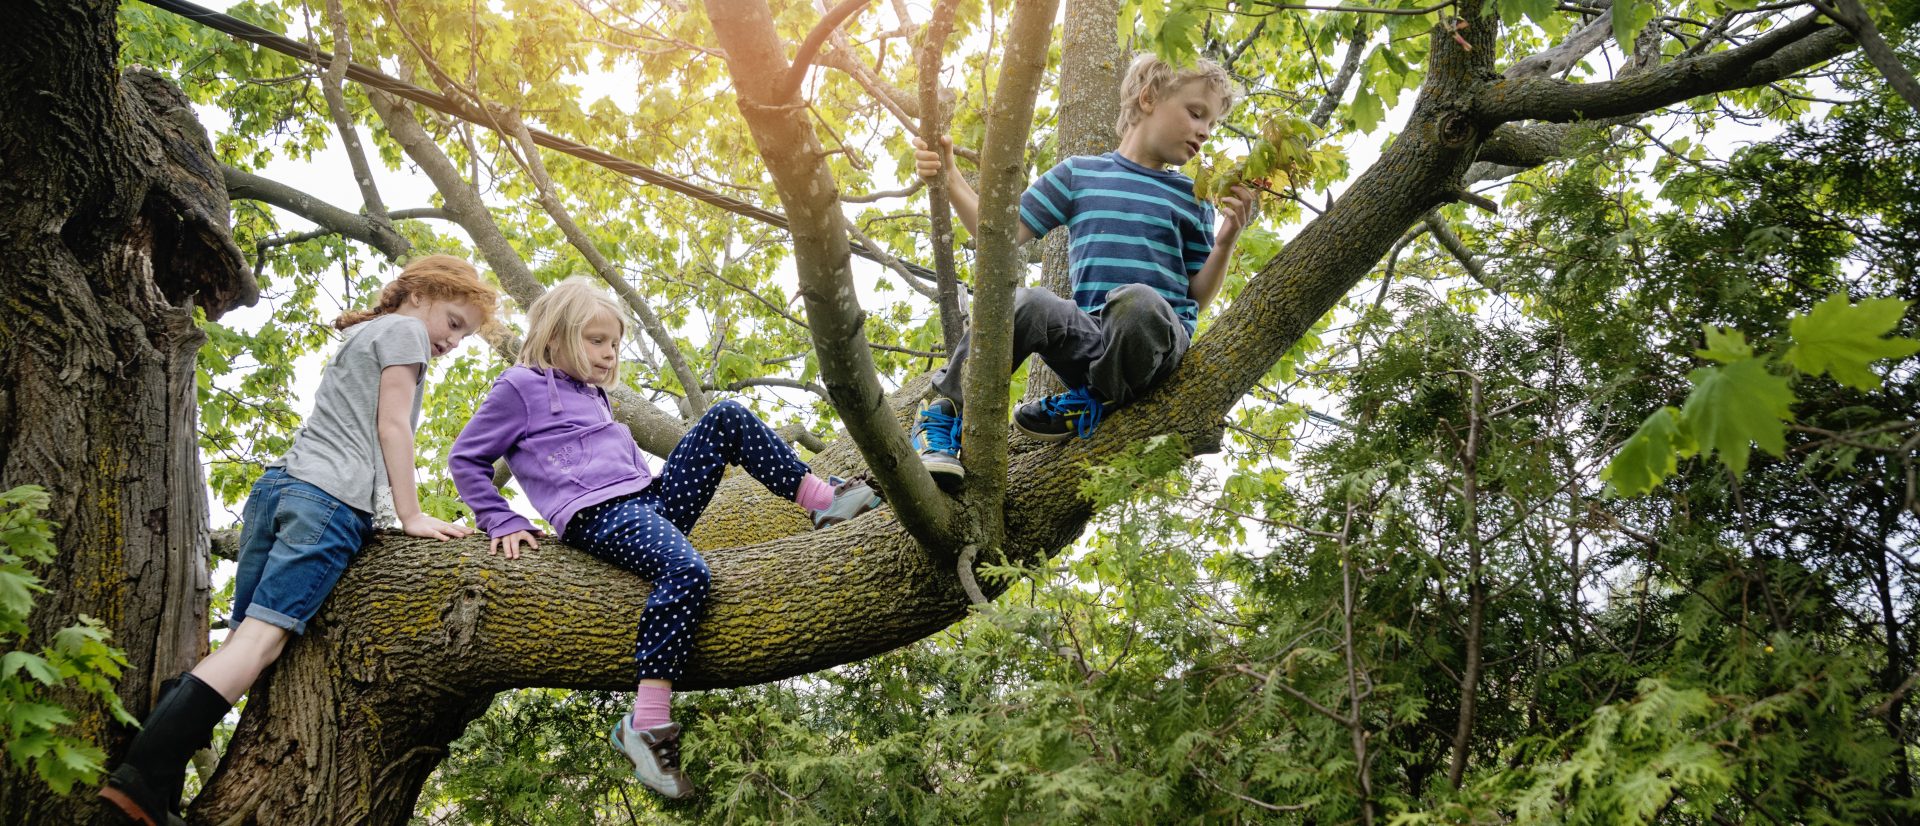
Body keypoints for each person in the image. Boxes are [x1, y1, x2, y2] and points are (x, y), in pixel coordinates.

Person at [99, 255, 498, 826]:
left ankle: (155, 776)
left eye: (466, 335)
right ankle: (139, 783)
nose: (454, 341)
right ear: (421, 295)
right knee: (260, 644)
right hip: (328, 501)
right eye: (455, 323)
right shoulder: (407, 331)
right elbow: (393, 427)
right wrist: (409, 515)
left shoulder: (365, 333)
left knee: (239, 645)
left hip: (278, 490)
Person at [447, 277, 879, 799]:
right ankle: (646, 724)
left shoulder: (594, 395)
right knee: (688, 570)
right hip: (597, 516)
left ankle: (823, 501)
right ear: (557, 336)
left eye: (614, 344)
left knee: (726, 417)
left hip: (647, 501)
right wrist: (502, 518)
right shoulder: (519, 387)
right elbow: (465, 458)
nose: (609, 354)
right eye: (597, 341)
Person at [909, 52, 1257, 485]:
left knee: (1139, 303)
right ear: (1148, 98)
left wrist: (1225, 241)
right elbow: (995, 235)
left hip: (1157, 347)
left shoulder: (1192, 196)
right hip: (1093, 343)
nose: (1205, 131)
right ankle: (941, 416)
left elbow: (1196, 295)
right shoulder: (1079, 175)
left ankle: (1092, 399)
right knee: (1028, 302)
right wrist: (950, 178)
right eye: (1196, 113)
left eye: (1212, 124)